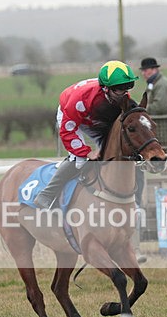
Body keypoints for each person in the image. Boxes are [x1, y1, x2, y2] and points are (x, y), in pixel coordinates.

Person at [34, 60, 138, 209]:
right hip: (71, 114)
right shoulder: (80, 100)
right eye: (120, 89)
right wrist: (87, 152)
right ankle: (47, 194)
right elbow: (68, 131)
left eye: (128, 87)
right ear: (106, 88)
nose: (124, 93)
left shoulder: (121, 96)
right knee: (79, 159)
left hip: (95, 116)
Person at [139, 57, 167, 149]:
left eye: (145, 70)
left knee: (162, 154)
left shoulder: (162, 84)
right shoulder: (154, 83)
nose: (143, 73)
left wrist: (141, 109)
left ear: (154, 69)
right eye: (142, 71)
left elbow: (160, 106)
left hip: (163, 130)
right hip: (157, 130)